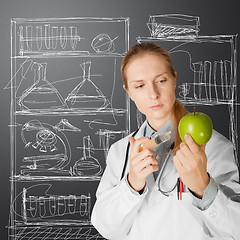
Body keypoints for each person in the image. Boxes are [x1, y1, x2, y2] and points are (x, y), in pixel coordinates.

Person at [91, 43, 240, 239]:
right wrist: (132, 184)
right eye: (140, 85)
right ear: (128, 91)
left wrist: (203, 187)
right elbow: (107, 229)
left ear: (174, 80)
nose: (153, 94)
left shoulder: (214, 147)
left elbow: (235, 231)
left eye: (161, 80)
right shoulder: (120, 151)